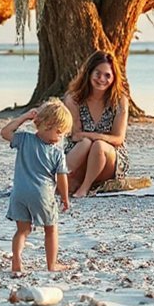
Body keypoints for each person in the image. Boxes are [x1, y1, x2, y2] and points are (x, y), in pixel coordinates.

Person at [0, 98, 73, 273]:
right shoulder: (57, 152)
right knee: (51, 229)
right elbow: (61, 177)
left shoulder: (24, 139)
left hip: (18, 194)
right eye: (60, 133)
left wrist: (24, 117)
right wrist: (64, 197)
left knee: (22, 231)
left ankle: (16, 261)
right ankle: (52, 264)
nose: (60, 138)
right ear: (49, 127)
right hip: (42, 195)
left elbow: (5, 132)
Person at [63, 51, 130, 197]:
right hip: (81, 152)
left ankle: (84, 188)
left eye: (107, 75)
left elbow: (118, 139)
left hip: (109, 157)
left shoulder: (119, 100)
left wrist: (91, 136)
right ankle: (57, 182)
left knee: (97, 145)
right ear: (89, 73)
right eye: (97, 74)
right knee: (86, 143)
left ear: (114, 78)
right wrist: (88, 138)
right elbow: (75, 136)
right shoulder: (74, 98)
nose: (102, 79)